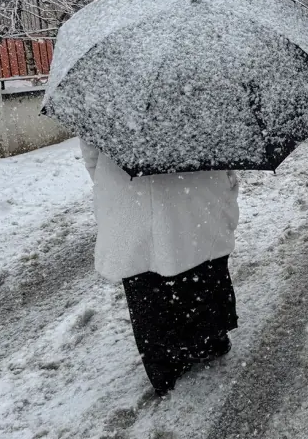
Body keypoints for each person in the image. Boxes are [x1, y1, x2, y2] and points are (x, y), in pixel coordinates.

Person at [81, 140, 240, 396]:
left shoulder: (100, 103)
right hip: (195, 182)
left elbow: (92, 155)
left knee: (144, 288)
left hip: (128, 190)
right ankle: (207, 340)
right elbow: (223, 139)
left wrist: (114, 182)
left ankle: (163, 366)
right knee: (201, 270)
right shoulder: (198, 104)